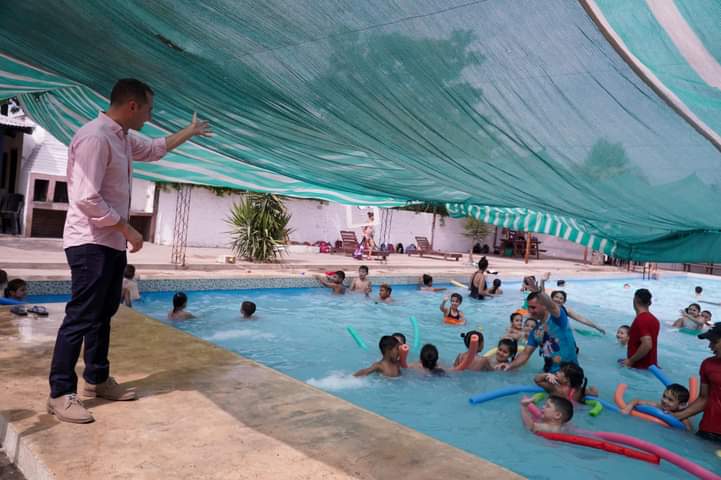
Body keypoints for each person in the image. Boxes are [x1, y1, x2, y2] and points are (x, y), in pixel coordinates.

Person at [47, 78, 211, 424]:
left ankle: (97, 378)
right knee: (81, 316)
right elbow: (86, 198)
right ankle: (60, 393)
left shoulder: (120, 137)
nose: (150, 116)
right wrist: (128, 228)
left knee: (103, 313)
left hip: (109, 243)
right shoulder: (96, 137)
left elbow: (154, 149)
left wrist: (190, 131)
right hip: (90, 242)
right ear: (132, 106)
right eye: (149, 109)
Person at [501, 278, 578, 373]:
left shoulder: (557, 318)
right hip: (548, 373)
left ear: (544, 306)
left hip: (569, 374)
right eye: (529, 307)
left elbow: (552, 305)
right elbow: (526, 354)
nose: (530, 311)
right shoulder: (535, 331)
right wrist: (509, 365)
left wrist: (538, 291)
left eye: (533, 307)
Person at [674, 324, 721, 442]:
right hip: (707, 430)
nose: (710, 346)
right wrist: (677, 416)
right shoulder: (708, 364)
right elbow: (703, 399)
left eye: (714, 342)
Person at [622, 383, 692, 431]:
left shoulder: (683, 417)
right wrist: (628, 408)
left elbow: (687, 430)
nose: (664, 401)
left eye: (670, 400)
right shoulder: (659, 406)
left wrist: (672, 417)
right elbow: (637, 401)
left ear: (681, 405)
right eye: (664, 396)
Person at [622, 289, 659, 369]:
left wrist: (630, 361)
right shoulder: (655, 320)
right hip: (650, 367)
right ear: (650, 303)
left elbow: (647, 344)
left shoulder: (641, 320)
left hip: (639, 367)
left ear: (635, 300)